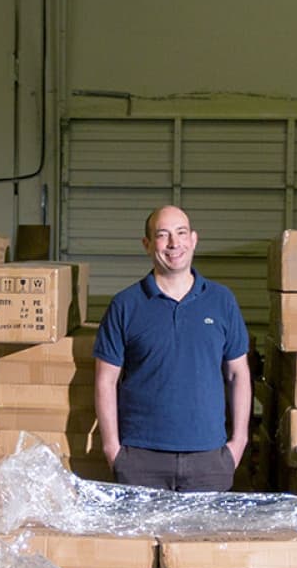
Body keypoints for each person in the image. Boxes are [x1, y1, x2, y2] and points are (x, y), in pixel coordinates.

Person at [94, 205, 251, 491]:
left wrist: (238, 443)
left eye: (181, 233)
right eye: (162, 235)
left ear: (193, 239)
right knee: (142, 538)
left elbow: (238, 374)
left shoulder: (221, 300)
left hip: (209, 460)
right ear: (147, 244)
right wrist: (112, 450)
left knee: (203, 538)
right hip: (141, 460)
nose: (173, 244)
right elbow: (106, 380)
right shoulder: (125, 305)